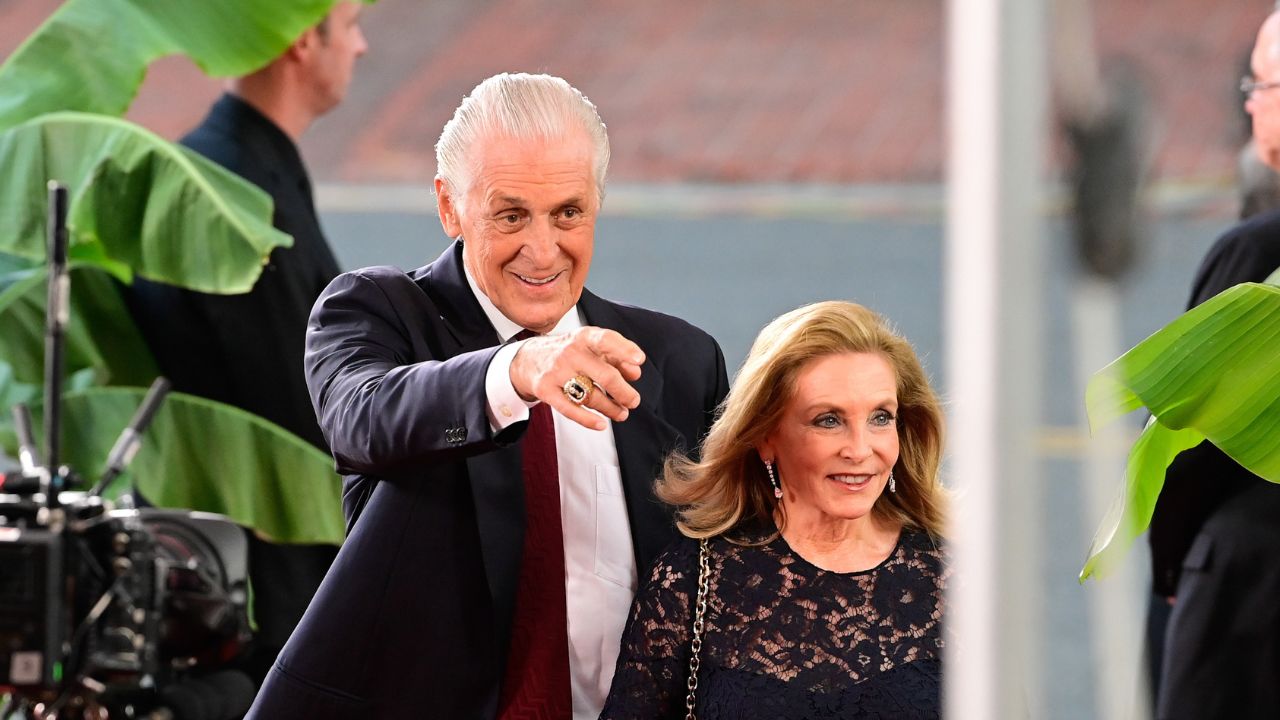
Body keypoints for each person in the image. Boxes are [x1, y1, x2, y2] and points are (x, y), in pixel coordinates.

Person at [244, 72, 729, 720]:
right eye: (510, 215)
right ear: (450, 206)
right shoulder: (378, 311)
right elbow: (362, 418)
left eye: (568, 213)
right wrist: (519, 369)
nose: (542, 248)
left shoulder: (679, 358)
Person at [123, 1, 368, 685]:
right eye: (348, 25)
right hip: (255, 596)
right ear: (298, 43)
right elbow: (304, 405)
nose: (361, 45)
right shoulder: (230, 196)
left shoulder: (244, 166)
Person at [600, 301, 950, 719]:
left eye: (880, 417)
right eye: (828, 420)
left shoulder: (956, 579)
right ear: (766, 436)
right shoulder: (690, 583)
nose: (860, 449)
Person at [1145, 10, 1280, 719]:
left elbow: (1184, 441)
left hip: (1250, 594)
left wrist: (1171, 565)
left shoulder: (1257, 255)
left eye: (1259, 85)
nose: (1251, 103)